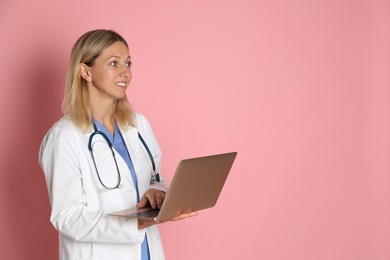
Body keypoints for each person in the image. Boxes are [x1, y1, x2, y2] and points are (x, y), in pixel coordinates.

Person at [38, 29, 196, 260]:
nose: (125, 73)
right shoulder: (64, 137)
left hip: (146, 251)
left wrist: (158, 193)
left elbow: (155, 178)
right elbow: (67, 217)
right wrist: (136, 224)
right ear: (85, 72)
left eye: (128, 64)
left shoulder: (138, 125)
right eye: (114, 63)